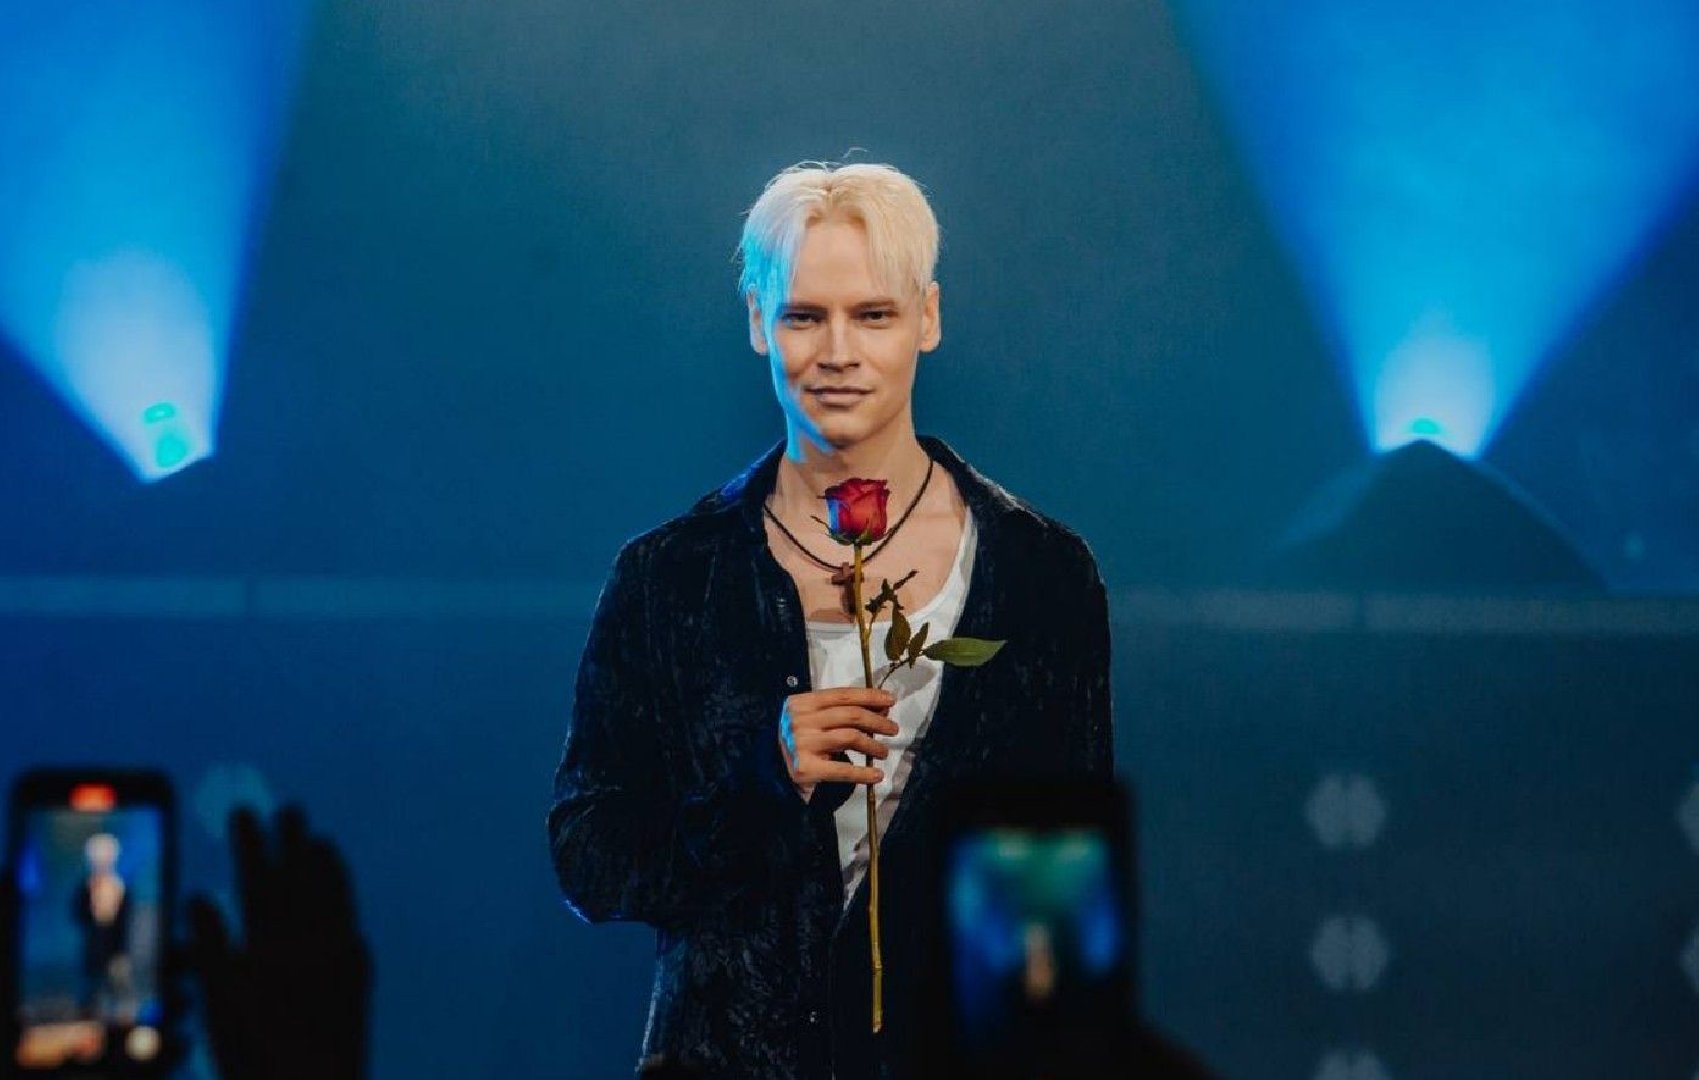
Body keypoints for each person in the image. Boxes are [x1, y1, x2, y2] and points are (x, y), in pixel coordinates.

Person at [548, 161, 1112, 1079]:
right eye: (805, 316)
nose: (837, 351)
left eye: (873, 315)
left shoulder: (1038, 573)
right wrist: (761, 782)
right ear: (757, 323)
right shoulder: (671, 577)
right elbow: (589, 857)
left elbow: (1057, 901)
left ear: (927, 318)